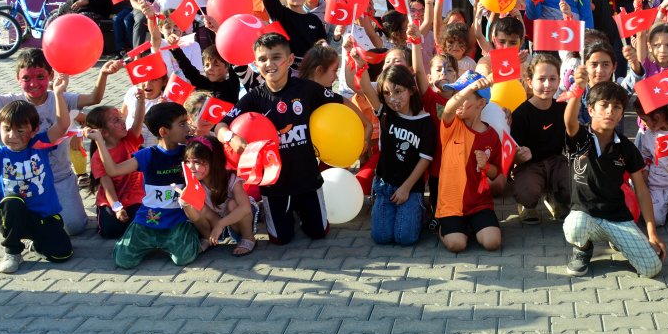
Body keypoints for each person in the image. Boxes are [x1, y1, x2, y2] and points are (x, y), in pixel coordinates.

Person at [215, 33, 367, 245]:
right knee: (281, 240)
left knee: (318, 233)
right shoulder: (254, 98)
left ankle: (305, 214)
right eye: (262, 59)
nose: (269, 64)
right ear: (256, 63)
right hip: (274, 186)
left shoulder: (306, 89)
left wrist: (365, 124)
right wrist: (231, 137)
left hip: (307, 180)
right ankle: (281, 214)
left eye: (276, 57)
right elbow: (220, 126)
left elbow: (341, 101)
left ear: (289, 59)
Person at [0, 46, 118, 236]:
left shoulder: (61, 97)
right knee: (38, 226)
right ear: (17, 79)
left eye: (40, 77)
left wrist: (102, 73)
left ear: (51, 75)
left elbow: (95, 98)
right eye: (26, 78)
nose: (34, 83)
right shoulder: (13, 102)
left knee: (75, 227)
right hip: (28, 179)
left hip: (60, 176)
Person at [0, 79, 73, 273]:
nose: (12, 135)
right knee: (12, 201)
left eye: (20, 130)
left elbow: (62, 125)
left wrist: (58, 94)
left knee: (62, 255)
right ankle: (12, 251)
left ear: (34, 130)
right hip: (12, 215)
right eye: (6, 129)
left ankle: (37, 243)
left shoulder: (39, 145)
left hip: (43, 215)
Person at [562, 80, 666, 278]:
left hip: (617, 218)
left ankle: (617, 239)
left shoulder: (626, 147)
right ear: (591, 109)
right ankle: (583, 249)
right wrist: (578, 88)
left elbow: (642, 190)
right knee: (574, 225)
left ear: (621, 115)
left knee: (653, 268)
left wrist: (652, 233)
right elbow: (569, 121)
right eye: (604, 105)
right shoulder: (580, 138)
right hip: (585, 216)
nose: (610, 111)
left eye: (616, 107)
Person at [90, 102, 203, 268]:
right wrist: (99, 141)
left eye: (186, 123)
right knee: (123, 261)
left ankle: (188, 236)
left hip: (176, 220)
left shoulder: (188, 152)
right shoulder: (148, 155)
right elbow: (113, 170)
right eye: (182, 124)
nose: (187, 128)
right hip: (148, 220)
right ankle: (144, 241)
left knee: (183, 259)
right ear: (164, 132)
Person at [355, 64, 436, 246]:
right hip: (385, 186)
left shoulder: (425, 121)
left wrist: (406, 188)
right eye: (387, 93)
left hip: (410, 188)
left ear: (412, 90)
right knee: (381, 237)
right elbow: (367, 89)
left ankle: (420, 212)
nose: (393, 98)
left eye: (398, 91)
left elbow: (425, 159)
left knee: (404, 237)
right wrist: (361, 66)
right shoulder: (386, 114)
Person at [436, 71, 503, 253]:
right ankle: (444, 227)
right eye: (457, 94)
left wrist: (486, 166)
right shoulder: (452, 123)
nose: (458, 100)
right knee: (457, 245)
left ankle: (471, 226)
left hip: (479, 204)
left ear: (481, 103)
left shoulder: (492, 135)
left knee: (492, 243)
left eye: (464, 96)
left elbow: (496, 173)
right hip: (452, 204)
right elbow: (449, 108)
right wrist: (471, 88)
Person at [510, 53, 570, 224]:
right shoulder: (521, 114)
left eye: (552, 79)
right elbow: (511, 154)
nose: (547, 84)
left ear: (559, 80)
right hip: (530, 166)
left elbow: (574, 138)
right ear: (529, 81)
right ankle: (527, 205)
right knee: (527, 192)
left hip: (557, 162)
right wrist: (519, 156)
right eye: (541, 79)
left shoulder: (562, 108)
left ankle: (556, 197)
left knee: (576, 184)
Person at [181, 137, 257, 256]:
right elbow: (196, 216)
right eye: (187, 161)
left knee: (233, 204)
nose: (190, 167)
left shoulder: (231, 179)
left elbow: (245, 208)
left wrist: (221, 224)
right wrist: (186, 202)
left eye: (197, 162)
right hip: (215, 223)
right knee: (191, 204)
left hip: (236, 222)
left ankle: (248, 237)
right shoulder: (195, 184)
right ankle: (207, 238)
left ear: (214, 161)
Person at [82, 103, 145, 239]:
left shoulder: (130, 140)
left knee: (139, 224)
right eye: (116, 120)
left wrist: (141, 101)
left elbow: (138, 121)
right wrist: (117, 208)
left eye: (121, 118)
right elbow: (107, 186)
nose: (123, 122)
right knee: (110, 230)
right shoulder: (98, 157)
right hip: (110, 200)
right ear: (103, 132)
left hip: (135, 196)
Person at [260, 0, 326, 61]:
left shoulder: (315, 21)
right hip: (285, 72)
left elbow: (323, 49)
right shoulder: (281, 14)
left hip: (309, 72)